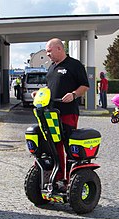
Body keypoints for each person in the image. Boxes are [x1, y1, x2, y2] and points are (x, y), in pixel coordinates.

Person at [32, 38, 89, 182]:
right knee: (53, 146)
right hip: (51, 113)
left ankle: (70, 180)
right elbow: (49, 88)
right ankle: (56, 178)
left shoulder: (74, 65)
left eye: (49, 51)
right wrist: (39, 93)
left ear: (59, 48)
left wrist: (74, 94)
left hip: (68, 112)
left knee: (68, 145)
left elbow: (85, 86)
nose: (47, 54)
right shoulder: (51, 67)